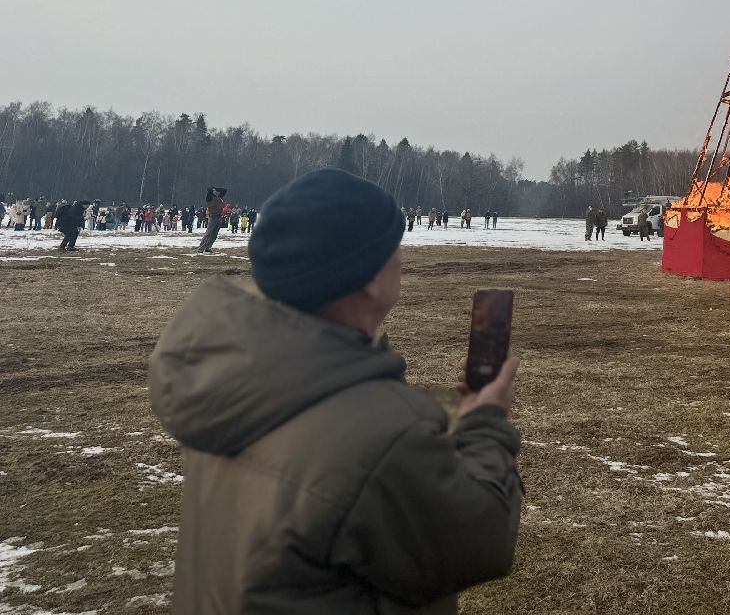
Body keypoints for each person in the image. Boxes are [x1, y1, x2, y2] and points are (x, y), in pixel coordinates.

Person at [149, 167, 522, 613]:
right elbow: (478, 540)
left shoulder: (236, 378)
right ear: (368, 275)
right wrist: (486, 421)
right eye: (393, 248)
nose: (401, 259)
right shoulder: (381, 431)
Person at [198, 186, 226, 253]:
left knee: (214, 234)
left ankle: (208, 247)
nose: (217, 192)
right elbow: (209, 190)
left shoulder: (219, 197)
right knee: (208, 233)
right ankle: (201, 248)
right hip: (213, 217)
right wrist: (212, 190)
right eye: (215, 191)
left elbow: (224, 190)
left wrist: (216, 189)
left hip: (219, 217)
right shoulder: (209, 198)